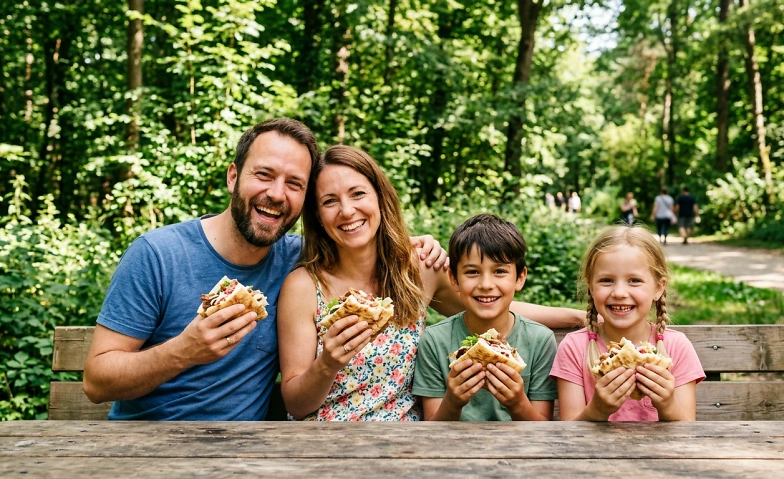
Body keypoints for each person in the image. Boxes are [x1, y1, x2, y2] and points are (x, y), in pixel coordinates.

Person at [82, 119, 447, 421]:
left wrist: (406, 243)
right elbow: (97, 383)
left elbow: (355, 235)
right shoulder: (158, 255)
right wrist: (184, 350)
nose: (276, 194)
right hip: (144, 447)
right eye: (264, 175)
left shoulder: (299, 261)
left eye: (294, 184)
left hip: (248, 454)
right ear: (233, 177)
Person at [277, 146, 583, 421]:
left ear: (380, 198)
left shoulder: (419, 267)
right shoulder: (303, 286)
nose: (347, 211)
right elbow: (296, 404)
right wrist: (327, 363)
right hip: (324, 447)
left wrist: (578, 317)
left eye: (358, 194)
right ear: (317, 215)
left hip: (409, 447)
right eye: (330, 201)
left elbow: (491, 305)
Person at [550, 225, 705, 421]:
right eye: (606, 280)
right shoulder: (574, 348)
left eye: (634, 280)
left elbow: (687, 431)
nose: (620, 293)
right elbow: (569, 433)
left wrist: (667, 404)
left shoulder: (676, 347)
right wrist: (597, 410)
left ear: (658, 288)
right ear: (590, 285)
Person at [413, 214, 557, 421]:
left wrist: (517, 403)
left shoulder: (540, 341)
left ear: (520, 278)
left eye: (499, 271)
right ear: (454, 279)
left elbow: (544, 429)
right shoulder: (435, 341)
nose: (486, 284)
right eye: (472, 272)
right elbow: (432, 427)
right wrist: (453, 402)